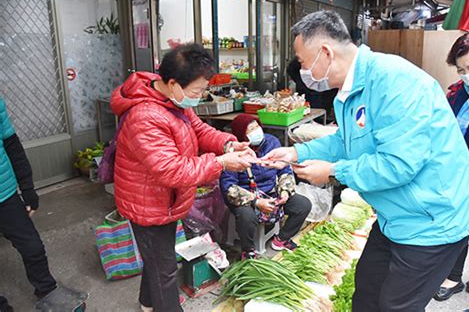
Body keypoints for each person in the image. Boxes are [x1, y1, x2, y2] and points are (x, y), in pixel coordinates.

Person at [262, 11, 469, 311]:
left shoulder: (395, 82)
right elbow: (344, 141)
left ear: (325, 52)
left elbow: (397, 165)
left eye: (303, 61)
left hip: (433, 220)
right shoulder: (347, 92)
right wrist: (297, 152)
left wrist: (334, 172)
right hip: (395, 217)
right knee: (366, 293)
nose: (303, 70)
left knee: (395, 306)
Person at [110, 43, 255, 312]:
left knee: (157, 258)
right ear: (174, 83)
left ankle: (146, 303)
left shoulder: (171, 99)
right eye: (197, 91)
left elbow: (199, 131)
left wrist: (227, 145)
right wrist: (221, 163)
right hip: (147, 203)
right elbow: (172, 170)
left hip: (163, 200)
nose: (199, 97)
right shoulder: (145, 116)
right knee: (165, 270)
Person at [220, 114, 311, 259]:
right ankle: (248, 250)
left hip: (271, 192)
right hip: (245, 198)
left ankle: (281, 239)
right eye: (251, 129)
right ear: (241, 134)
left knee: (303, 205)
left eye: (257, 126)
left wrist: (285, 191)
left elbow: (284, 169)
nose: (256, 131)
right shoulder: (233, 153)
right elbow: (228, 187)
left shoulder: (271, 142)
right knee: (246, 216)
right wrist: (256, 201)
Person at [0, 97, 57, 311]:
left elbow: (11, 145)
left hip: (5, 194)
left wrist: (28, 189)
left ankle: (47, 290)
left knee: (32, 247)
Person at [433, 31, 469, 301]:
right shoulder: (458, 93)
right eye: (461, 70)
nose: (467, 75)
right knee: (461, 222)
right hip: (460, 170)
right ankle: (453, 277)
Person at [287, 57, 338, 121]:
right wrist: (301, 81)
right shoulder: (306, 55)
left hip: (322, 94)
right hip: (308, 93)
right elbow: (291, 69)